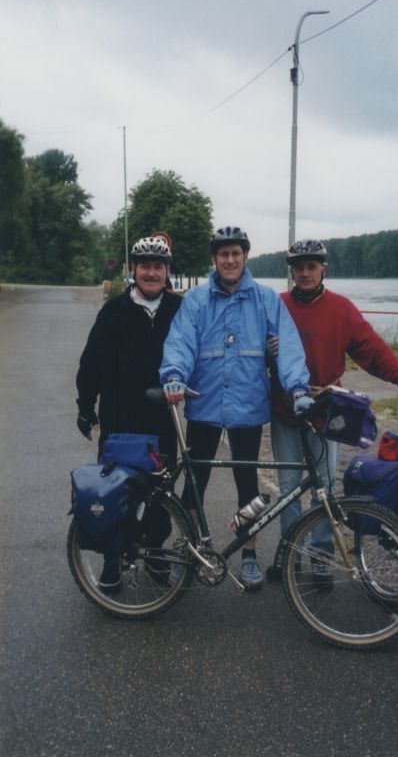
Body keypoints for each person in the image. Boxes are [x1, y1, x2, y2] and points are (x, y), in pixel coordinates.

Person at [269, 238, 398, 583]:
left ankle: (321, 556)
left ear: (324, 270)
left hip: (325, 412)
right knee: (288, 486)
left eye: (312, 266)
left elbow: (375, 352)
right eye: (299, 267)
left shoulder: (342, 309)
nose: (305, 273)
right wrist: (265, 348)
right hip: (286, 410)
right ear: (291, 272)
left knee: (324, 486)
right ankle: (289, 554)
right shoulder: (277, 305)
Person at [160, 226, 311, 589]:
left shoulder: (265, 299)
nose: (230, 260)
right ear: (215, 259)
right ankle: (189, 551)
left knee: (248, 487)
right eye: (223, 254)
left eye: (236, 254)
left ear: (245, 258)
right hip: (204, 404)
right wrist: (175, 375)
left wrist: (298, 388)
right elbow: (179, 341)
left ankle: (248, 556)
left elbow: (288, 346)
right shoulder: (195, 301)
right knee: (194, 483)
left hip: (247, 406)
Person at [76, 234, 182, 591]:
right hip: (120, 418)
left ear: (167, 272)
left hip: (163, 419)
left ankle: (154, 550)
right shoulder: (115, 310)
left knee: (160, 490)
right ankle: (112, 559)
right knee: (118, 491)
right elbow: (91, 361)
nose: (151, 273)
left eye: (158, 266)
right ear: (133, 270)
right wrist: (84, 405)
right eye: (145, 266)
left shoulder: (177, 309)